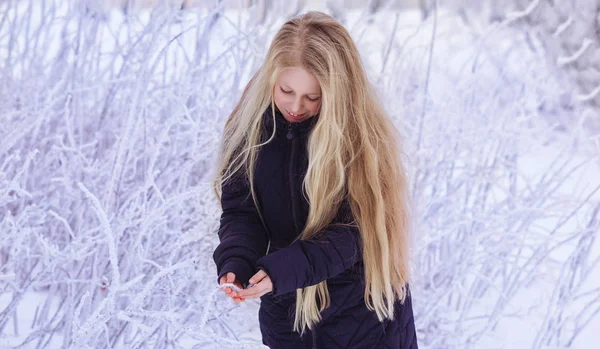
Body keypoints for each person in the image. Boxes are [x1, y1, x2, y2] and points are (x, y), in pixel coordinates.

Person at [212, 11, 418, 349]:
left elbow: (356, 231)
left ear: (338, 91)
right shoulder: (248, 131)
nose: (296, 106)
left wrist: (284, 269)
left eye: (313, 96)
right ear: (271, 78)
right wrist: (236, 260)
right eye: (286, 90)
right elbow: (241, 212)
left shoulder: (361, 139)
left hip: (365, 320)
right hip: (289, 321)